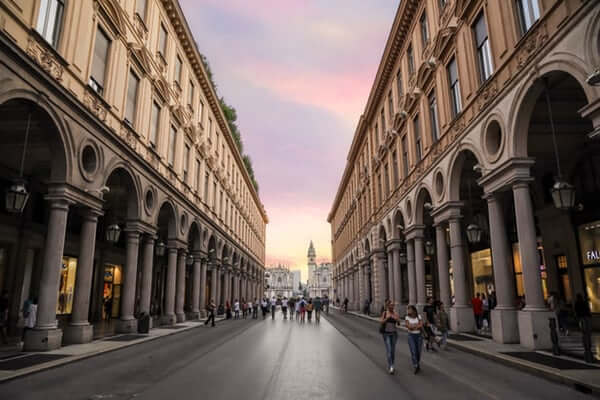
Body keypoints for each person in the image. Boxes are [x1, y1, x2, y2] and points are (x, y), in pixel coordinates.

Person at [380, 300, 400, 374]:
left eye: (393, 305)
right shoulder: (385, 313)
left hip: (394, 334)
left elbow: (398, 323)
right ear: (388, 306)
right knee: (389, 350)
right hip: (386, 334)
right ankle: (391, 366)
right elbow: (381, 322)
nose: (392, 306)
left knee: (392, 351)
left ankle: (392, 364)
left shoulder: (395, 313)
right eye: (391, 305)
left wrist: (396, 319)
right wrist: (387, 318)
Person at [405, 305, 424, 374]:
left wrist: (413, 326)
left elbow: (421, 325)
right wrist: (416, 326)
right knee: (413, 351)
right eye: (408, 309)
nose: (408, 311)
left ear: (413, 310)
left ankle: (417, 363)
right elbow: (408, 326)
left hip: (419, 336)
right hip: (411, 336)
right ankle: (415, 365)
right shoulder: (407, 317)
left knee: (418, 352)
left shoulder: (419, 316)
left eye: (409, 309)